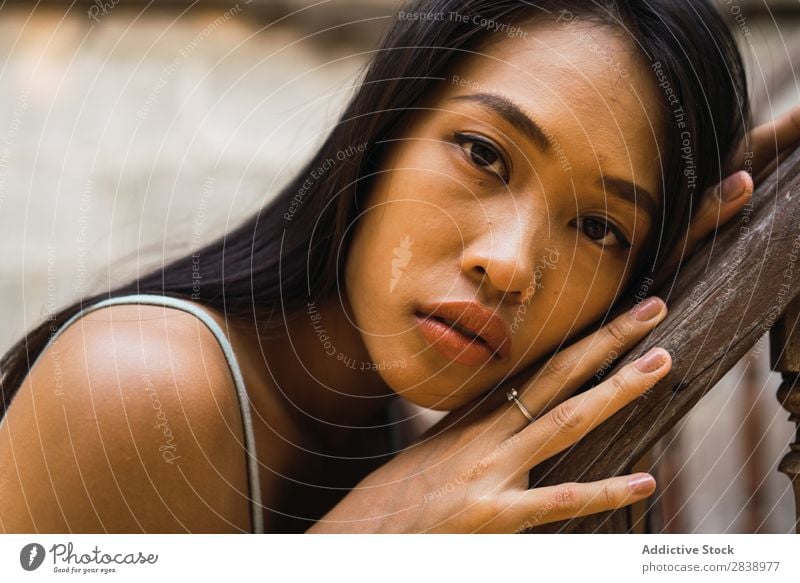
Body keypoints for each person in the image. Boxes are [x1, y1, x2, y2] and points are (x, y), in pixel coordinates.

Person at [1, 0, 799, 534]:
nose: (508, 264)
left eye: (599, 226)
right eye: (485, 154)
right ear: (385, 132)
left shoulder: (408, 435)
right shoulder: (141, 387)